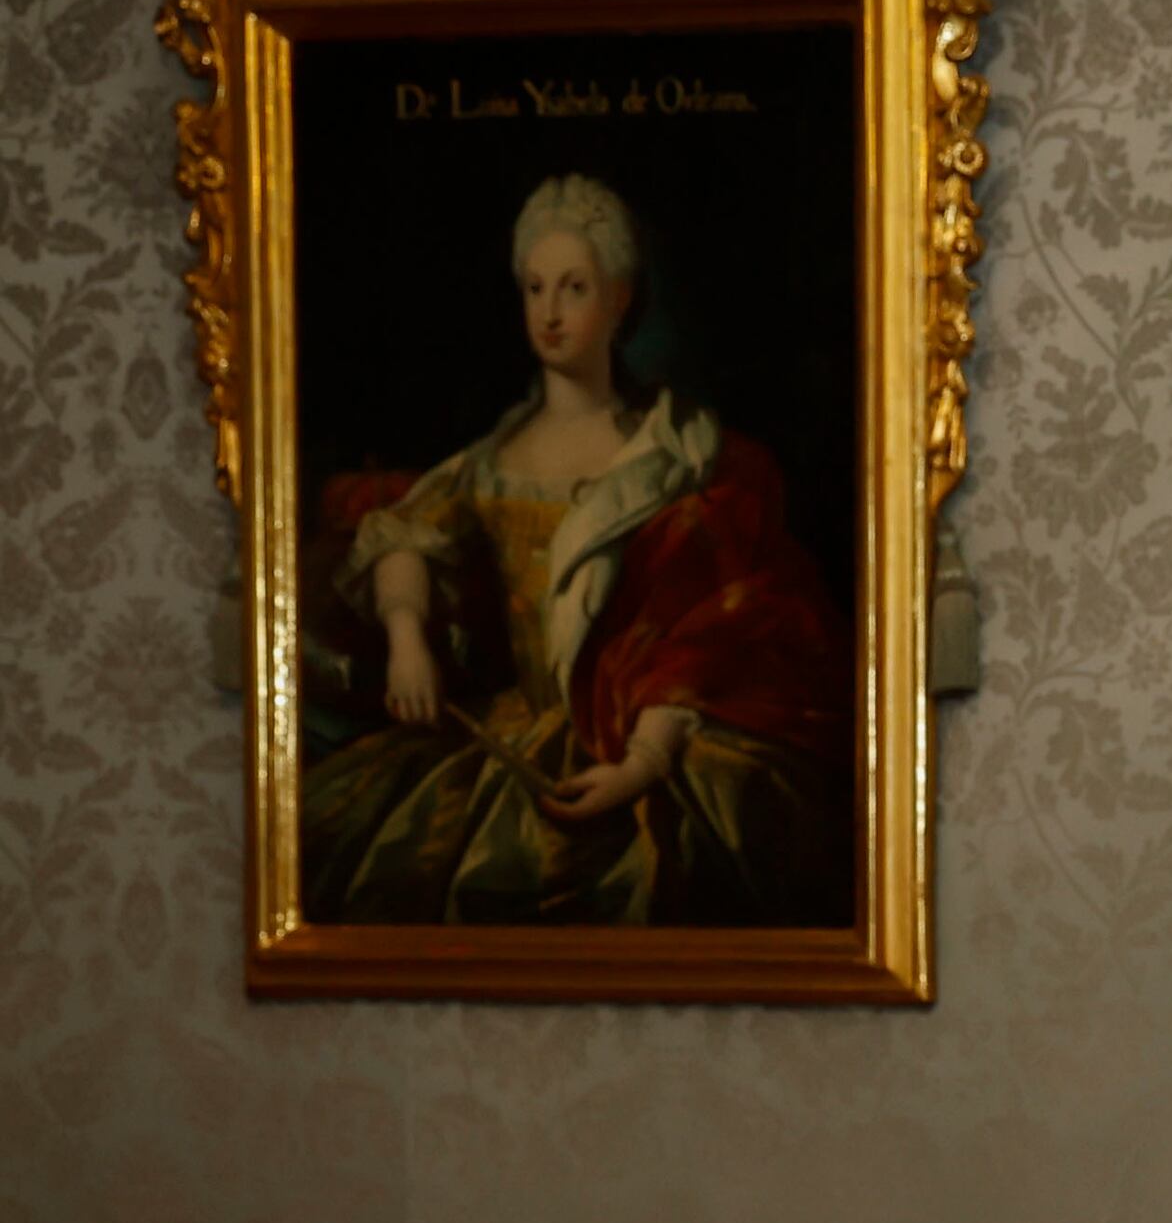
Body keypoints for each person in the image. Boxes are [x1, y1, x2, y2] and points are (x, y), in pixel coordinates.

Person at [302, 172, 853, 926]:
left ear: (620, 299)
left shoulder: (671, 459)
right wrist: (405, 638)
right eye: (535, 289)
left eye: (574, 288)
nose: (550, 314)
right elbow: (405, 531)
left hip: (633, 742)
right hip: (501, 736)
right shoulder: (494, 456)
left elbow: (703, 639)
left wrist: (640, 766)